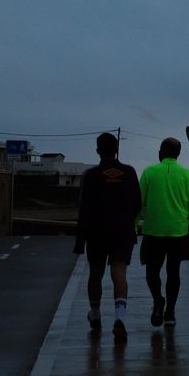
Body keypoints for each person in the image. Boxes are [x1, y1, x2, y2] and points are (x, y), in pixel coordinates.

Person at [73, 132, 141, 340]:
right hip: (122, 231)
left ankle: (95, 313)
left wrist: (80, 241)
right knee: (119, 271)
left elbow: (83, 208)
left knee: (96, 272)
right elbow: (138, 203)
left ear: (97, 151)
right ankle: (119, 317)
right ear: (117, 149)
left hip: (96, 232)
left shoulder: (91, 175)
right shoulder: (129, 173)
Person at [139, 137, 189, 327]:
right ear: (178, 154)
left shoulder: (149, 172)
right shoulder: (187, 174)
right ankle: (171, 313)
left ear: (160, 152)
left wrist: (133, 226)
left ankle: (158, 299)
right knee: (174, 273)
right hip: (178, 233)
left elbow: (138, 203)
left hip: (153, 232)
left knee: (152, 272)